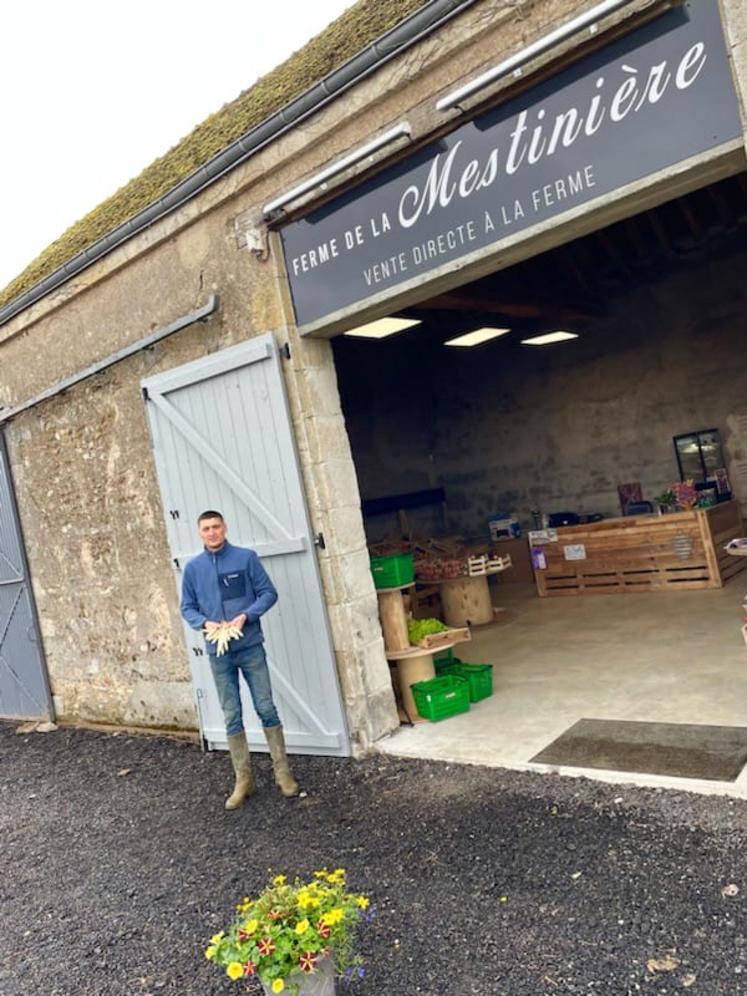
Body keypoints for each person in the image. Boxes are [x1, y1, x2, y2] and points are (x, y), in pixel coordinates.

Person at [180, 509, 300, 810]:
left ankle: (282, 772)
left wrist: (246, 616)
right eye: (206, 528)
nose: (212, 532)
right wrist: (205, 624)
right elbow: (187, 607)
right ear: (199, 533)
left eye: (216, 527)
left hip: (249, 646)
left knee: (265, 706)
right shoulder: (193, 569)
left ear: (225, 527)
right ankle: (243, 779)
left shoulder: (246, 558)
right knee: (231, 713)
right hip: (218, 652)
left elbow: (268, 594)